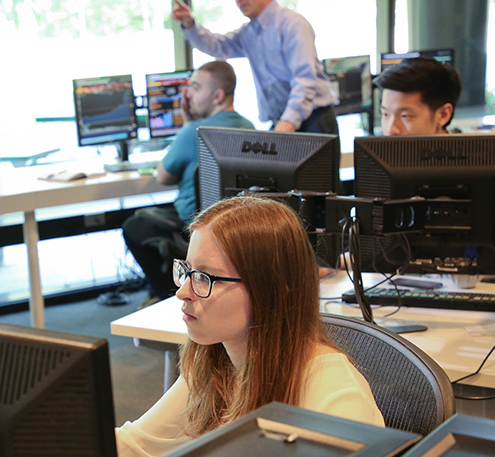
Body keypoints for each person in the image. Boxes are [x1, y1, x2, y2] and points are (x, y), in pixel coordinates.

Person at [115, 195, 384, 456]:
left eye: (205, 277)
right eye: (187, 271)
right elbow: (136, 445)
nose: (183, 291)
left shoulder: (335, 395)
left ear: (274, 289)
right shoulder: (216, 361)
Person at [122, 61, 254, 307]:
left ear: (217, 96)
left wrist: (186, 125)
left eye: (195, 86)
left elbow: (163, 177)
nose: (187, 94)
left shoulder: (194, 130)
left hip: (193, 222)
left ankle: (164, 294)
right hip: (234, 223)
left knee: (134, 225)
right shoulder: (250, 127)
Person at [172, 0, 338, 135]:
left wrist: (288, 123)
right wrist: (190, 24)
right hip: (283, 123)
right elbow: (216, 46)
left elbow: (304, 80)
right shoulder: (248, 34)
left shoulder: (292, 24)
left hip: (312, 121)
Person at [373, 56, 462, 135]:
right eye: (385, 114)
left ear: (443, 115)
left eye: (405, 116)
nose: (391, 130)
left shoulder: (469, 153)